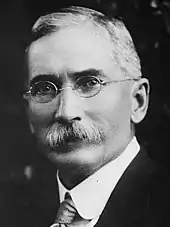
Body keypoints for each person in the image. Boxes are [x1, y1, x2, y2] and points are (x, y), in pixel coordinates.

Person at [21, 5, 170, 227]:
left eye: (90, 83)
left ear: (137, 101)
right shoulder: (15, 210)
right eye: (44, 89)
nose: (66, 112)